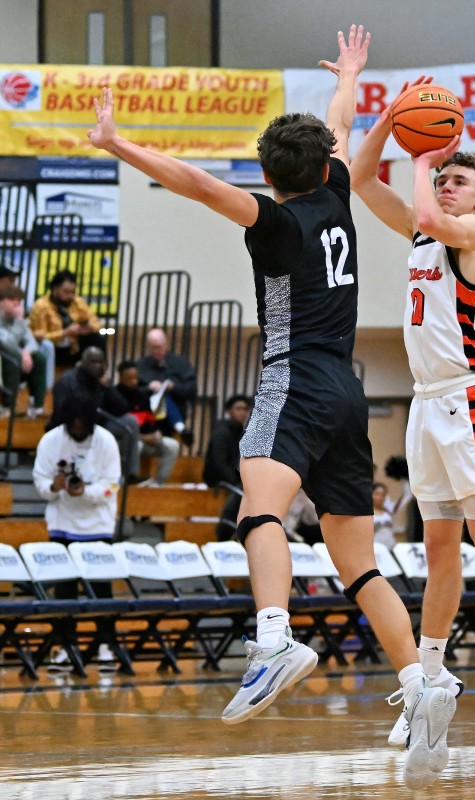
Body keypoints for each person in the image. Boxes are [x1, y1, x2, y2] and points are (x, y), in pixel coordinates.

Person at [87, 27, 455, 788]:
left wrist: (119, 144)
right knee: (358, 564)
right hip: (349, 393)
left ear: (264, 173)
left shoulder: (277, 220)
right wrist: (356, 80)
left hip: (292, 379)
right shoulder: (339, 192)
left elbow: (193, 181)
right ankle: (423, 684)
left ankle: (274, 638)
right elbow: (346, 127)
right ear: (324, 167)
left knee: (258, 508)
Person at [349, 79, 475, 756]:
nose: (449, 185)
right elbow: (359, 179)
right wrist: (389, 120)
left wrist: (428, 155)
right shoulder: (421, 233)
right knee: (438, 554)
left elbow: (430, 216)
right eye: (446, 177)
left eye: (461, 179)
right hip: (424, 403)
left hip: (469, 400)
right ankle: (431, 681)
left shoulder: (471, 233)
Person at [32, 395, 123, 668]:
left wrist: (87, 492)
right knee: (64, 592)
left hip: (98, 525)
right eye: (74, 424)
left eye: (84, 424)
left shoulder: (106, 441)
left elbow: (112, 484)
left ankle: (106, 645)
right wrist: (55, 487)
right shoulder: (50, 441)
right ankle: (65, 645)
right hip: (62, 525)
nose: (78, 428)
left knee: (101, 591)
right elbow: (40, 479)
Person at [50, 346, 140, 480]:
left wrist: (106, 387)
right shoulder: (67, 380)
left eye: (100, 362)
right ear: (84, 362)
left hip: (97, 423)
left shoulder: (100, 381)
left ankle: (129, 475)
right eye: (93, 361)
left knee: (130, 422)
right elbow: (62, 411)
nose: (97, 365)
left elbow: (121, 408)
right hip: (71, 425)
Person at [114, 360, 179, 487]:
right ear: (121, 377)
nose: (134, 381)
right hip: (125, 442)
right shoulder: (115, 396)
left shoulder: (142, 396)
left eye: (135, 378)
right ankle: (127, 481)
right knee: (136, 445)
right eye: (129, 378)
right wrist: (143, 438)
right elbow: (118, 430)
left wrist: (156, 433)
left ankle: (158, 484)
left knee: (173, 446)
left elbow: (151, 421)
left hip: (148, 441)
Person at [29, 269, 104, 367]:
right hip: (55, 347)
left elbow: (97, 323)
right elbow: (39, 337)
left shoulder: (77, 302)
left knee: (97, 338)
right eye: (66, 292)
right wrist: (65, 333)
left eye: (72, 292)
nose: (70, 296)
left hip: (74, 345)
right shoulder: (41, 306)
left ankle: (100, 372)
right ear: (55, 289)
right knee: (47, 346)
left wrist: (88, 328)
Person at [136, 327, 197, 446]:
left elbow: (191, 390)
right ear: (147, 347)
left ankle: (179, 425)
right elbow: (132, 391)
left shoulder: (180, 364)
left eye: (158, 346)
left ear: (166, 344)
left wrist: (172, 387)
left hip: (172, 414)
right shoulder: (141, 365)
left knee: (164, 394)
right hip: (148, 415)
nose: (156, 350)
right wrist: (149, 387)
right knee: (160, 394)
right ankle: (180, 427)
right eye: (152, 347)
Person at [203, 394, 252, 540]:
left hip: (235, 478)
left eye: (245, 409)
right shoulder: (222, 432)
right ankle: (224, 531)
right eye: (238, 408)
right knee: (241, 492)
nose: (242, 412)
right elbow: (219, 463)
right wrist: (234, 481)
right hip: (218, 478)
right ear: (230, 411)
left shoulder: (242, 432)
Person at [0, 285, 48, 417]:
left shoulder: (17, 320)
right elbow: (7, 343)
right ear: (1, 301)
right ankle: (8, 405)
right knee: (13, 357)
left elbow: (31, 341)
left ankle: (37, 405)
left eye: (19, 301)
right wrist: (20, 321)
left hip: (17, 357)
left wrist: (26, 353)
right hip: (3, 359)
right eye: (12, 299)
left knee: (39, 358)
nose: (16, 304)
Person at [372, 482, 396, 548]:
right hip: (376, 550)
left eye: (383, 495)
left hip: (391, 548)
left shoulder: (388, 514)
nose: (380, 497)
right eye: (377, 494)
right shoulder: (367, 515)